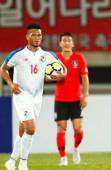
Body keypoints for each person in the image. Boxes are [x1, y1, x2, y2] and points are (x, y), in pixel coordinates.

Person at [1, 23, 65, 170]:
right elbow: (3, 69)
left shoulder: (47, 55)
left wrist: (59, 76)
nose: (37, 38)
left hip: (37, 97)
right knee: (31, 128)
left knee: (23, 130)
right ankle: (23, 163)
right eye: (34, 35)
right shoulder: (18, 54)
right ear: (27, 36)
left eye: (40, 35)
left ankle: (11, 161)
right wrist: (11, 85)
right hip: (21, 95)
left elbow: (62, 71)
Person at [54, 32, 89, 166]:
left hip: (76, 100)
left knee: (78, 129)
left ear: (73, 44)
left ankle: (75, 148)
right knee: (61, 129)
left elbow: (85, 78)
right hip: (60, 100)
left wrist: (85, 95)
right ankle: (63, 157)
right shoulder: (55, 59)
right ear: (60, 43)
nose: (67, 42)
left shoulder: (79, 58)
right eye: (64, 40)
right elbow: (48, 75)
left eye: (69, 40)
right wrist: (53, 77)